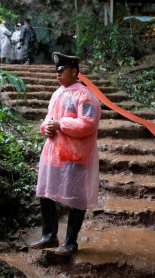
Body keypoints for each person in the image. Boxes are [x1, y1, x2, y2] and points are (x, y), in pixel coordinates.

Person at [30, 52, 101, 257]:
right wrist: (46, 128)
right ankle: (49, 236)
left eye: (62, 70)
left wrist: (60, 124)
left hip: (75, 156)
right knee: (46, 193)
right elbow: (47, 120)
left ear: (74, 71)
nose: (58, 74)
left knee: (77, 197)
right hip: (53, 153)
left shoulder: (84, 95)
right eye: (57, 71)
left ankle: (70, 242)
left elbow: (88, 124)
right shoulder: (57, 93)